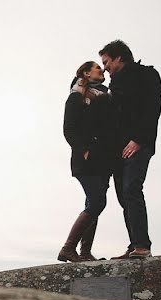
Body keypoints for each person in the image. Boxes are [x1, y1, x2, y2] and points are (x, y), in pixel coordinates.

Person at [99, 40, 161, 259]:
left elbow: (153, 110)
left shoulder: (147, 75)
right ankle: (134, 244)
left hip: (138, 145)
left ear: (119, 57)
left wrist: (138, 139)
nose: (105, 67)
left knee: (131, 189)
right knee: (123, 196)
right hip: (118, 150)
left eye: (106, 62)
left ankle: (142, 246)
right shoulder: (113, 85)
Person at [58, 61, 116, 263]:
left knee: (93, 203)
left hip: (103, 161)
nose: (102, 70)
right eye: (98, 68)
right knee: (97, 202)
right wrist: (83, 150)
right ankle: (68, 248)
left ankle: (84, 252)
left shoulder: (105, 96)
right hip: (87, 161)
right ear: (86, 73)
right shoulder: (76, 97)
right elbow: (69, 129)